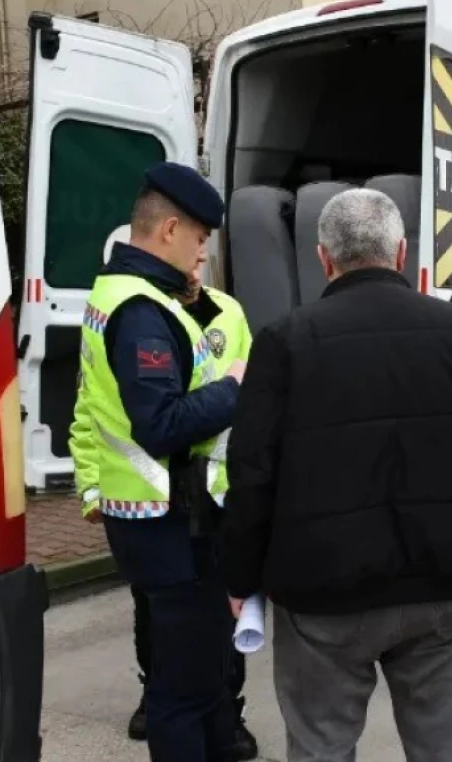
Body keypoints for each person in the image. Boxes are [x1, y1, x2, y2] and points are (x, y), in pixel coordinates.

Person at [222, 188, 452, 762]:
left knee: (320, 747)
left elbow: (251, 474)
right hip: (447, 584)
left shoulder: (284, 341)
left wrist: (242, 578)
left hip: (324, 594)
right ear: (400, 253)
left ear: (324, 258)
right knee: (442, 750)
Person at [69, 162, 251, 762]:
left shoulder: (127, 295)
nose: (202, 254)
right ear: (170, 229)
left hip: (162, 519)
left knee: (204, 681)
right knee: (186, 693)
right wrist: (235, 387)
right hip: (172, 527)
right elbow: (161, 424)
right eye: (200, 239)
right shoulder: (142, 312)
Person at [123, 262, 260, 760]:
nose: (195, 266)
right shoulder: (144, 317)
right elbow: (94, 412)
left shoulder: (229, 313)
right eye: (191, 253)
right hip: (156, 498)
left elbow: (252, 393)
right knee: (157, 618)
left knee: (227, 611)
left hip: (219, 490)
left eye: (204, 257)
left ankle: (229, 709)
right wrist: (93, 489)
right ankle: (154, 686)